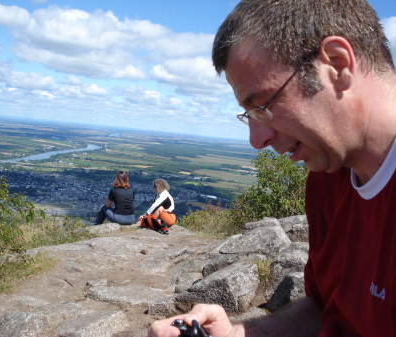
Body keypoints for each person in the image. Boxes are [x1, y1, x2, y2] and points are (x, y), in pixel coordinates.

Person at [148, 0, 395, 336]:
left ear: (337, 64)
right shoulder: (327, 181)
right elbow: (326, 309)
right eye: (248, 114)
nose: (256, 139)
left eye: (262, 106)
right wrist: (239, 334)